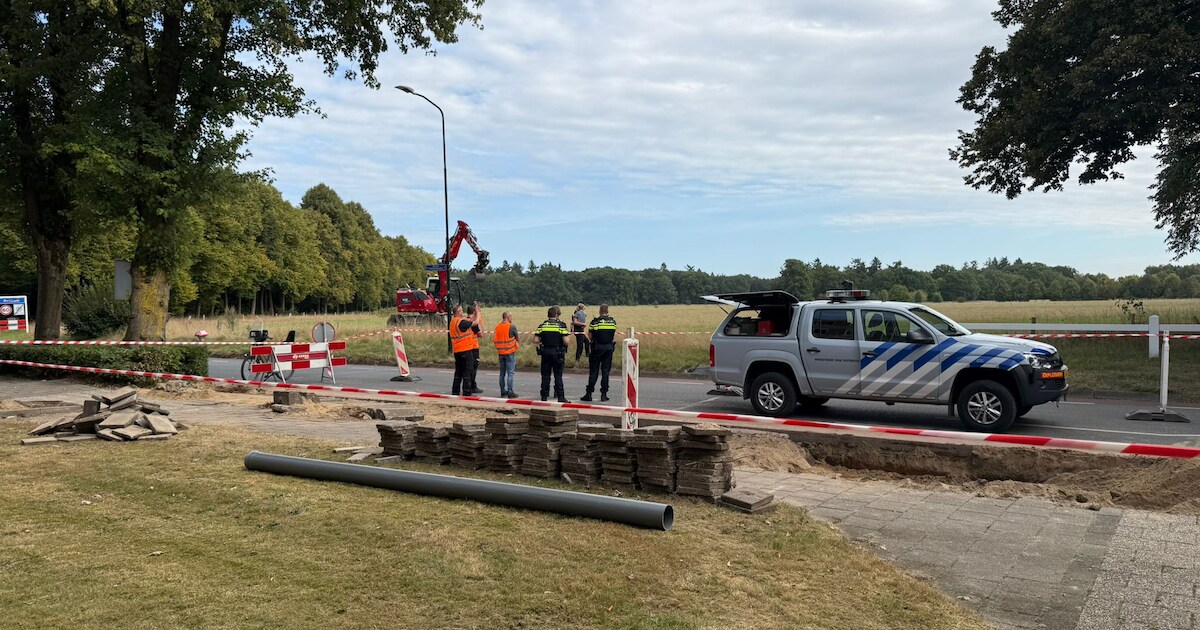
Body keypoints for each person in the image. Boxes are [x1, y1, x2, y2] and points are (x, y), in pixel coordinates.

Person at [581, 304, 618, 402]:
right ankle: (604, 394)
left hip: (597, 348)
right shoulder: (612, 322)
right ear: (607, 311)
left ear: (600, 311)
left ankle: (589, 393)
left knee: (594, 371)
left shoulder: (595, 322)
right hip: (609, 348)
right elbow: (612, 334)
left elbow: (590, 336)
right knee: (605, 372)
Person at [534, 306, 571, 402]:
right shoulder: (561, 326)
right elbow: (566, 341)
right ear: (556, 315)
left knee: (545, 376)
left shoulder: (542, 326)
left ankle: (544, 396)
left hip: (545, 353)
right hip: (557, 353)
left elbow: (536, 340)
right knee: (558, 375)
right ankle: (560, 397)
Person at [449, 302, 480, 396]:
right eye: (461, 310)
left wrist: (474, 314)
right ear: (459, 312)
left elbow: (469, 322)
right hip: (465, 349)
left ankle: (455, 391)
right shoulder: (460, 322)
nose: (463, 312)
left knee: (458, 372)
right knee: (467, 371)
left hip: (457, 351)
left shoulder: (453, 322)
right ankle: (467, 391)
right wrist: (478, 313)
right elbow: (475, 323)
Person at [493, 311, 519, 398]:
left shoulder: (497, 327)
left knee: (502, 373)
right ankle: (510, 391)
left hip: (501, 353)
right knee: (510, 373)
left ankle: (502, 391)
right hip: (510, 352)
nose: (512, 319)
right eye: (511, 317)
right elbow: (517, 338)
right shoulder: (511, 326)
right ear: (508, 317)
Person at [466, 302, 483, 394]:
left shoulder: (465, 321)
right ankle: (472, 385)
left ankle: (469, 385)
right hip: (474, 347)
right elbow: (480, 335)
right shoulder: (473, 324)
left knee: (468, 368)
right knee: (473, 368)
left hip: (467, 346)